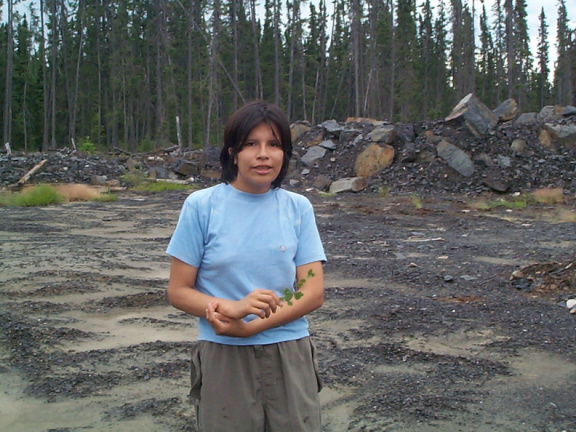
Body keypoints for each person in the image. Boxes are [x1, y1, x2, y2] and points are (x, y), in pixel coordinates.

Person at [166, 100, 326, 432]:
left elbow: (311, 290)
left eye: (274, 144)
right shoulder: (201, 207)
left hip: (289, 352)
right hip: (224, 353)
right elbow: (179, 291)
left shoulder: (298, 209)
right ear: (232, 152)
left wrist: (253, 326)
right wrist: (231, 308)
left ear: (285, 154)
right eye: (251, 144)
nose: (263, 154)